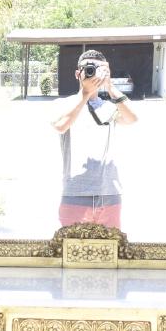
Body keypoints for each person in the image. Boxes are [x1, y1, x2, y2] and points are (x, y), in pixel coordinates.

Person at [51, 50, 137, 230]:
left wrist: (110, 87)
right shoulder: (63, 103)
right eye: (88, 68)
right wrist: (85, 94)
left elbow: (131, 119)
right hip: (75, 193)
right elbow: (61, 125)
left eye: (98, 69)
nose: (92, 72)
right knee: (72, 254)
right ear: (77, 73)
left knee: (110, 254)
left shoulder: (109, 107)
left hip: (109, 193)